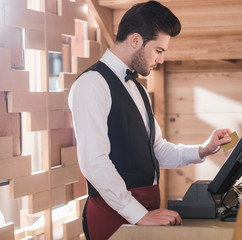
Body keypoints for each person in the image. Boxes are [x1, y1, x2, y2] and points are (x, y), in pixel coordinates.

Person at [68, 1, 232, 239]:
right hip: (113, 213)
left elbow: (156, 149)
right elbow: (94, 162)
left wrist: (203, 150)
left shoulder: (139, 90)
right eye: (159, 50)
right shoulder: (91, 84)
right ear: (135, 40)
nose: (161, 59)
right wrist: (138, 214)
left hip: (147, 208)